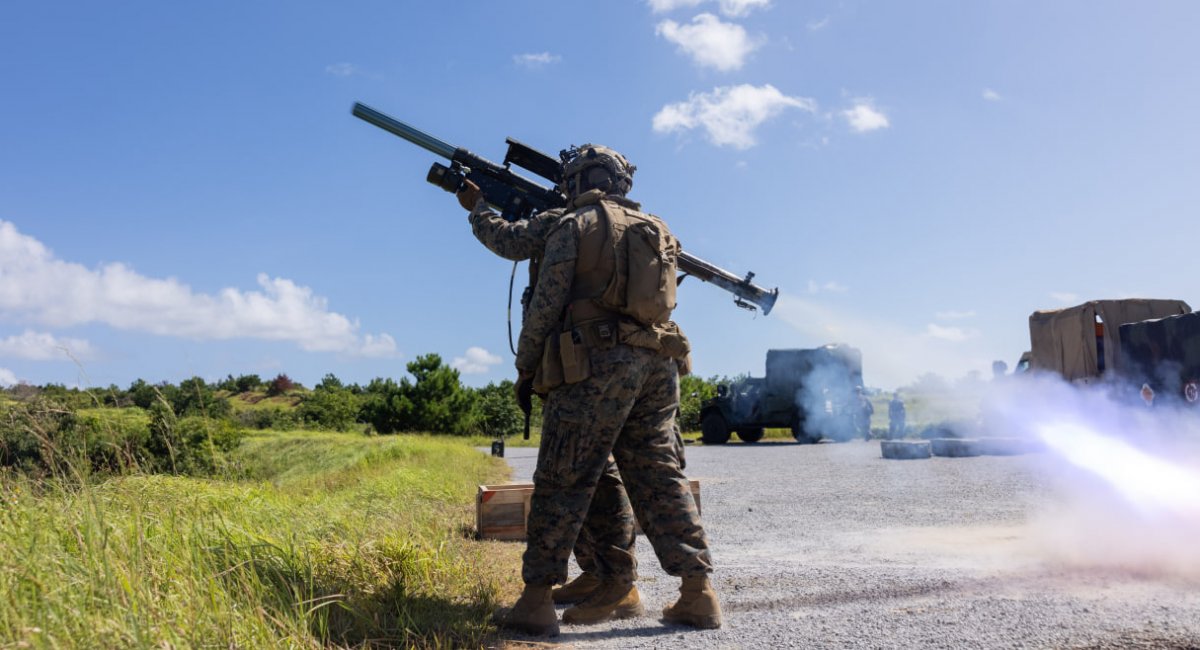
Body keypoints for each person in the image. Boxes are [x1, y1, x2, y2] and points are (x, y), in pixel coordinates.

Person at [486, 144, 719, 635]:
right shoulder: (656, 229)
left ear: (576, 181)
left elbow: (546, 306)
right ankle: (697, 592)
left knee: (564, 476)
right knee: (659, 476)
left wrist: (527, 367)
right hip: (657, 366)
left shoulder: (576, 224)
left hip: (595, 363)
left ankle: (534, 603)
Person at [457, 180, 636, 609]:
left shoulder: (564, 220)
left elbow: (509, 241)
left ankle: (557, 594)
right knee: (599, 474)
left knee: (563, 475)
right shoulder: (623, 228)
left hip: (575, 364)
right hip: (623, 364)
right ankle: (602, 574)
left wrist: (477, 206)